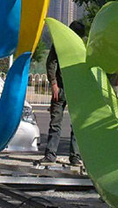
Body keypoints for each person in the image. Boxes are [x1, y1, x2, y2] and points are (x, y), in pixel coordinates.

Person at [36, 20, 86, 166]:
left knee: (71, 125)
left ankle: (72, 156)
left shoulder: (79, 44)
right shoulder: (64, 43)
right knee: (57, 123)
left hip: (73, 88)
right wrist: (54, 84)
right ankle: (54, 155)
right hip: (64, 88)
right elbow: (51, 63)